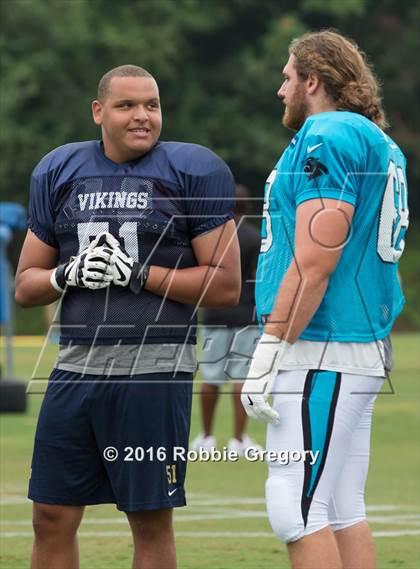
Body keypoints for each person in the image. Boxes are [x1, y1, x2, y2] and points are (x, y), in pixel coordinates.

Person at [15, 64, 241, 569]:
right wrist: (66, 273)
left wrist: (140, 272)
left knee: (149, 517)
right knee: (49, 514)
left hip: (154, 371)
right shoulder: (60, 169)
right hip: (74, 368)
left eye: (152, 105)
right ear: (98, 112)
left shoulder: (192, 169)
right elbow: (26, 284)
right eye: (127, 106)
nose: (142, 117)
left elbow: (223, 285)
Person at [241, 30, 409, 569]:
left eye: (288, 76)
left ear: (313, 80)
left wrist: (270, 346)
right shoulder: (374, 139)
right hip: (352, 342)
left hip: (322, 343)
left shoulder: (328, 131)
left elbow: (318, 256)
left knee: (294, 505)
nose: (280, 89)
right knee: (337, 504)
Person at [191, 184, 263, 455]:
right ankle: (238, 438)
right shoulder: (255, 238)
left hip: (214, 314)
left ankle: (207, 437)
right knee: (241, 378)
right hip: (246, 314)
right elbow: (259, 277)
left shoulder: (209, 237)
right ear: (248, 207)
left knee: (211, 378)